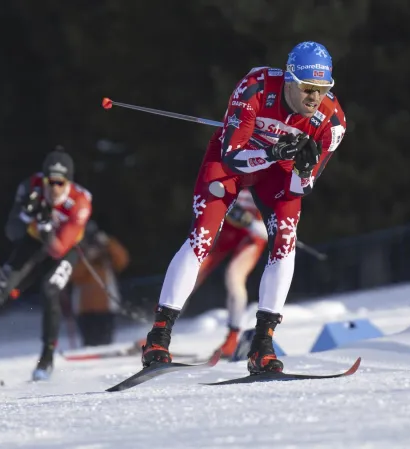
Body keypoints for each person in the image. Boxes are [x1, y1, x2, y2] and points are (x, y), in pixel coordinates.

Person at [140, 41, 346, 374]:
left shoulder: (332, 123)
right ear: (289, 81)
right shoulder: (255, 88)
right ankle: (158, 337)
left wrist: (303, 169)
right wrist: (273, 152)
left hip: (278, 173)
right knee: (202, 238)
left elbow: (299, 190)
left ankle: (262, 344)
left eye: (323, 90)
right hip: (234, 160)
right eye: (308, 88)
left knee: (285, 244)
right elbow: (231, 156)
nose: (314, 98)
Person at [0, 149, 93, 382]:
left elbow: (58, 249)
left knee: (50, 289)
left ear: (68, 182)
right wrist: (27, 218)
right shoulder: (30, 186)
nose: (55, 188)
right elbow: (11, 231)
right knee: (0, 292)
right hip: (34, 240)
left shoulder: (80, 200)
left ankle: (46, 358)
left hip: (67, 249)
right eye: (51, 181)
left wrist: (46, 224)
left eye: (60, 183)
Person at [195, 189, 267, 358]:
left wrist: (248, 222)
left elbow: (271, 230)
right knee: (193, 271)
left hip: (250, 236)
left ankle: (232, 338)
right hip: (224, 230)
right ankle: (158, 330)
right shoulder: (225, 166)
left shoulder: (267, 174)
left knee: (234, 276)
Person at [69, 221, 129, 347]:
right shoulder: (78, 254)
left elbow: (123, 260)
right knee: (90, 344)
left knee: (106, 343)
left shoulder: (106, 257)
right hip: (84, 310)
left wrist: (108, 243)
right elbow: (73, 276)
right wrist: (87, 257)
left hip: (106, 307)